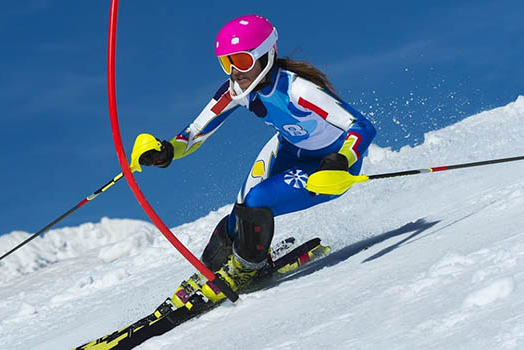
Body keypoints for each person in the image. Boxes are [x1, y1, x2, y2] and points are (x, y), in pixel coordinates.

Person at [139, 14, 376, 303]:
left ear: (267, 56)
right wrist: (166, 151)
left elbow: (361, 126)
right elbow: (195, 133)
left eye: (241, 61)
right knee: (240, 212)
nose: (234, 72)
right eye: (227, 63)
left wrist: (342, 159)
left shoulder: (298, 90)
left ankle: (246, 270)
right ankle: (209, 270)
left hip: (331, 166)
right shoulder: (236, 92)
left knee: (258, 200)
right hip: (289, 150)